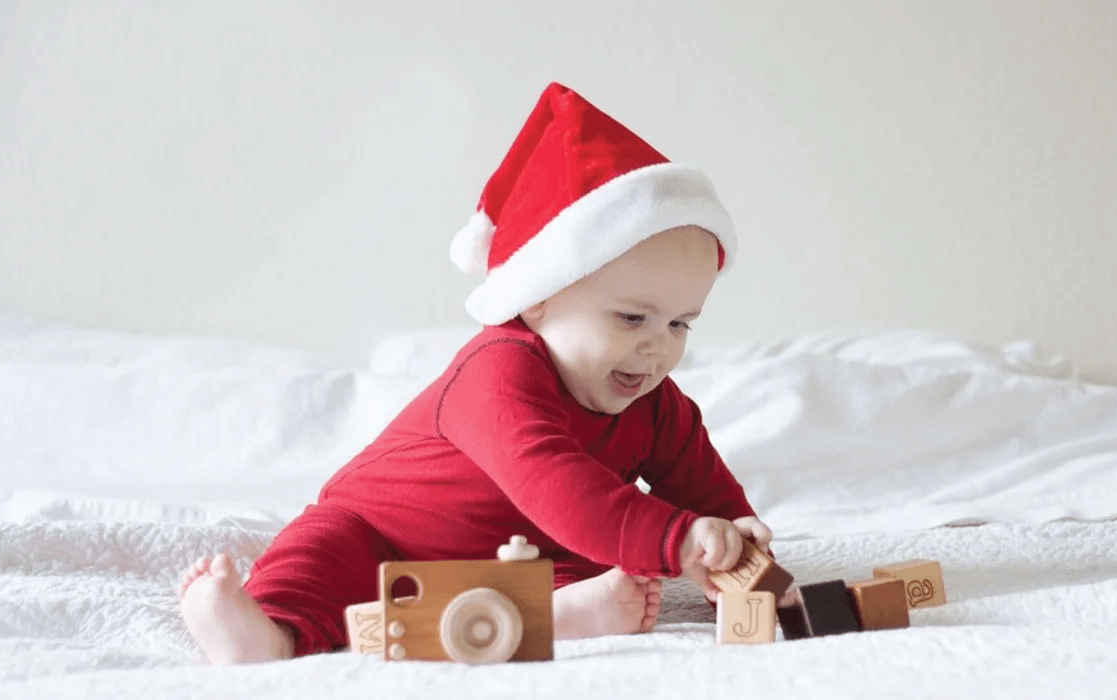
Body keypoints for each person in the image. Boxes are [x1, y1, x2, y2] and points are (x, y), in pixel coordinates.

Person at [178, 82, 784, 664]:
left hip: (524, 551)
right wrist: (677, 541)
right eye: (631, 318)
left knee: (603, 569)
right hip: (381, 534)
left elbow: (702, 485)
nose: (656, 350)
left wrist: (736, 539)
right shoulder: (497, 372)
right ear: (538, 297)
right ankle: (264, 635)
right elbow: (557, 484)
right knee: (320, 555)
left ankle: (562, 612)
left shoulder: (655, 403)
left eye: (680, 325)